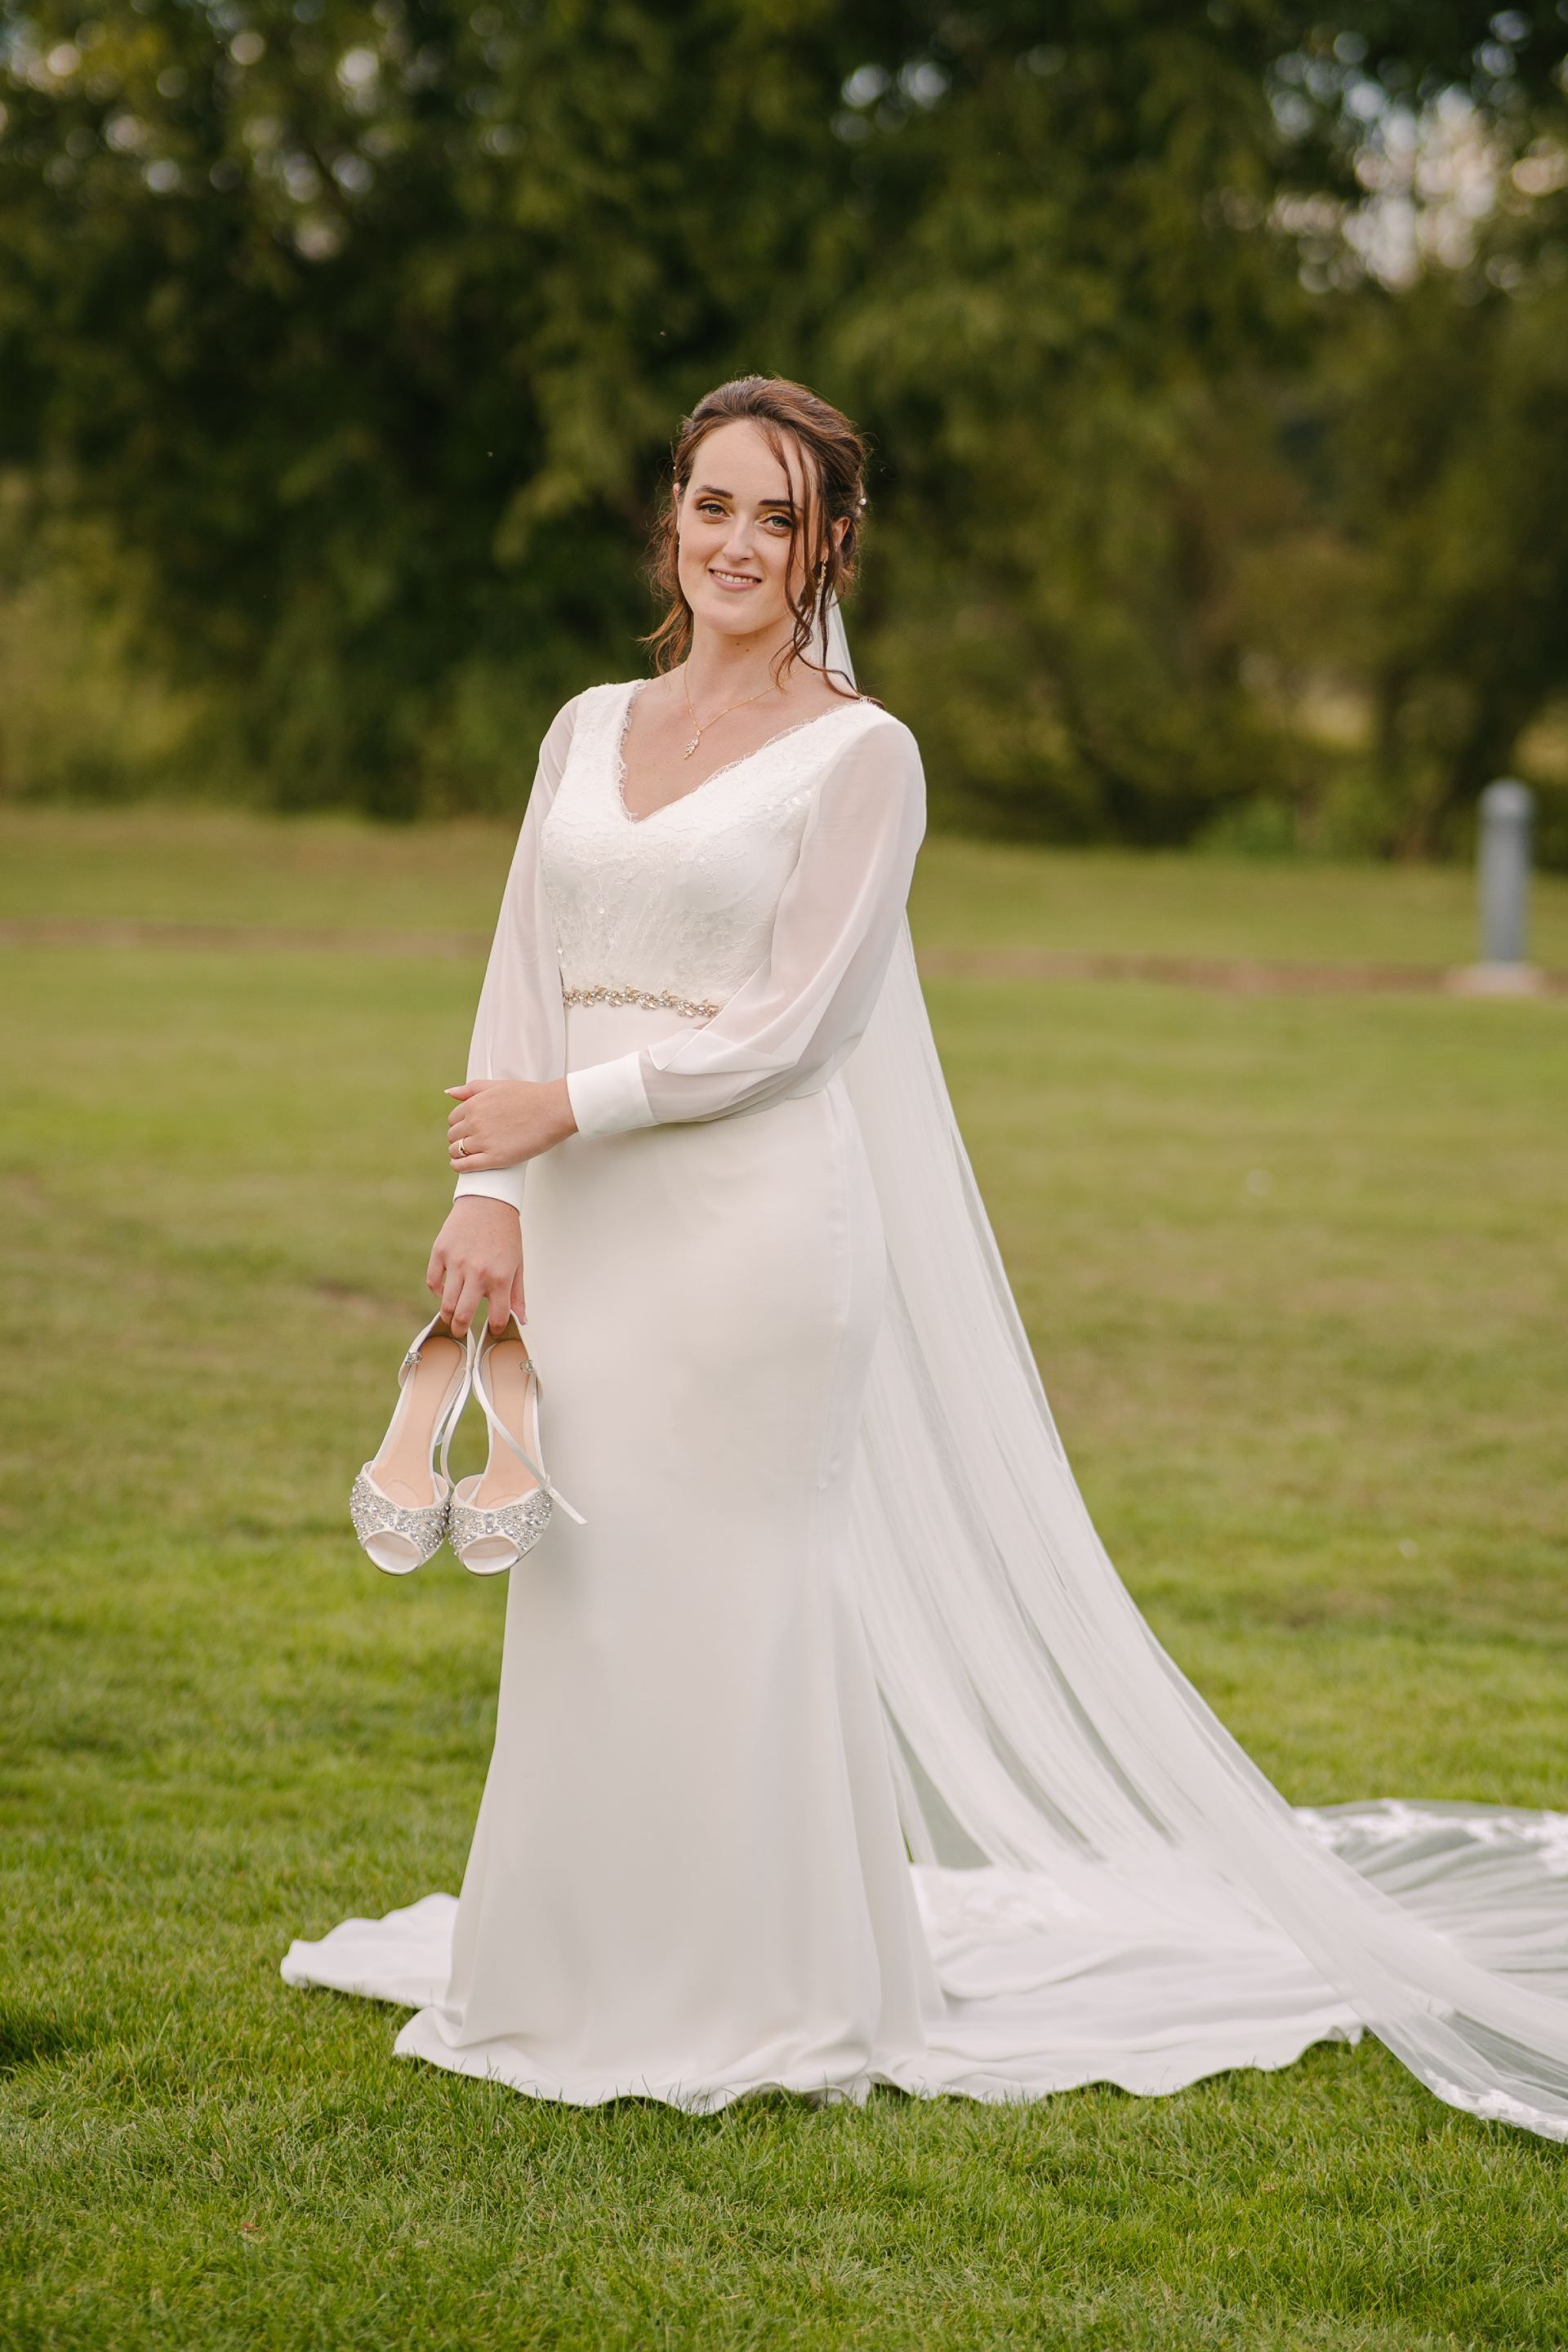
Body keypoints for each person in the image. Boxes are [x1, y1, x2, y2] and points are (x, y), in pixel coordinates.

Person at [287, 376, 1568, 2139]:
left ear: (831, 545)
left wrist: (566, 1107)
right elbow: (525, 951)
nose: (739, 545)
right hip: (574, 1214)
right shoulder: (585, 725)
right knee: (585, 1584)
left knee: (738, 1585)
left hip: (750, 1238)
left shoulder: (862, 757)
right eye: (712, 505)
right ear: (671, 517)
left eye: (778, 517)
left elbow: (799, 1028)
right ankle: (571, 1962)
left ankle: (775, 1986)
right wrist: (491, 1194)